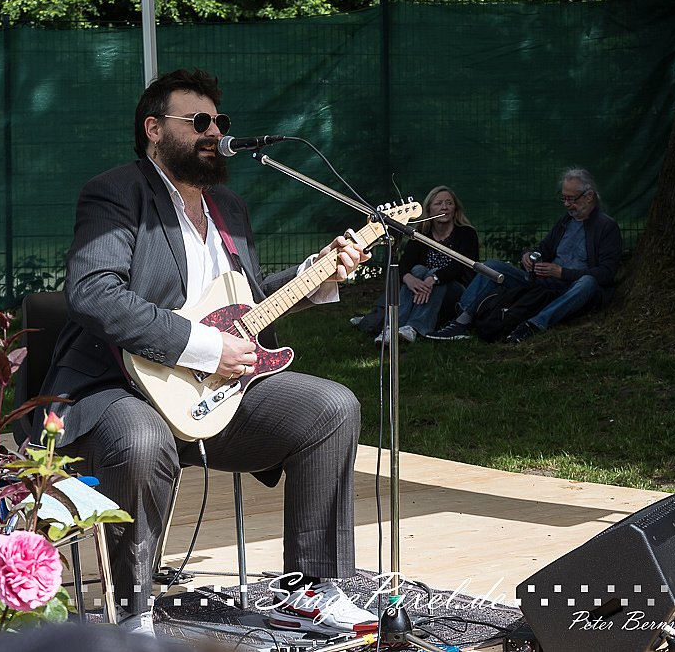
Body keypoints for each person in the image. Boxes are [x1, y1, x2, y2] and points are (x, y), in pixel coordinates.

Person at [36, 68, 377, 635]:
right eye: (198, 121)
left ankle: (312, 587)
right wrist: (204, 348)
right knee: (143, 439)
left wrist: (316, 279)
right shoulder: (118, 192)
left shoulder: (229, 208)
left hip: (212, 394)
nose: (214, 131)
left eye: (219, 121)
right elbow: (93, 293)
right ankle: (133, 611)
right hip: (120, 384)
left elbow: (243, 303)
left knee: (331, 407)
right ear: (153, 129)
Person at [425, 168, 622, 343]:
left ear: (589, 197)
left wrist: (562, 273)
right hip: (544, 283)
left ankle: (533, 325)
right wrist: (530, 255)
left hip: (573, 288)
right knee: (493, 266)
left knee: (587, 282)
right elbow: (543, 248)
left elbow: (606, 273)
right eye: (564, 198)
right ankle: (461, 321)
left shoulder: (606, 227)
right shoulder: (565, 222)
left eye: (572, 199)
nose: (567, 204)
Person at [352, 185, 479, 343]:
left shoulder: (466, 233)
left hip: (455, 293)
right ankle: (394, 328)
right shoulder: (421, 235)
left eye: (449, 203)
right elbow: (404, 264)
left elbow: (462, 266)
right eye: (438, 203)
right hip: (424, 291)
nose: (444, 207)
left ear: (455, 209)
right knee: (417, 271)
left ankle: (413, 327)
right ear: (429, 209)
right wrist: (409, 279)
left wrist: (434, 278)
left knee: (432, 275)